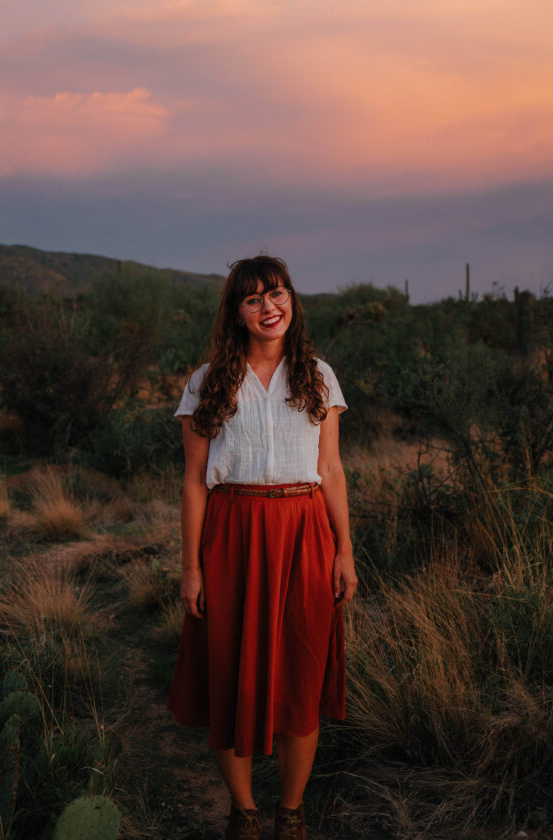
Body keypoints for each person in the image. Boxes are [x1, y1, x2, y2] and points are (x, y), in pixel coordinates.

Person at [167, 256, 358, 840]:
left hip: (304, 531)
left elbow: (330, 468)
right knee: (229, 670)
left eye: (276, 294)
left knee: (301, 672)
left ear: (291, 301)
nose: (268, 307)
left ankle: (291, 811)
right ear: (237, 313)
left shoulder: (318, 376)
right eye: (253, 299)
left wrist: (345, 552)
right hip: (232, 532)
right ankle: (245, 811)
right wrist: (192, 566)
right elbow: (196, 480)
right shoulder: (207, 381)